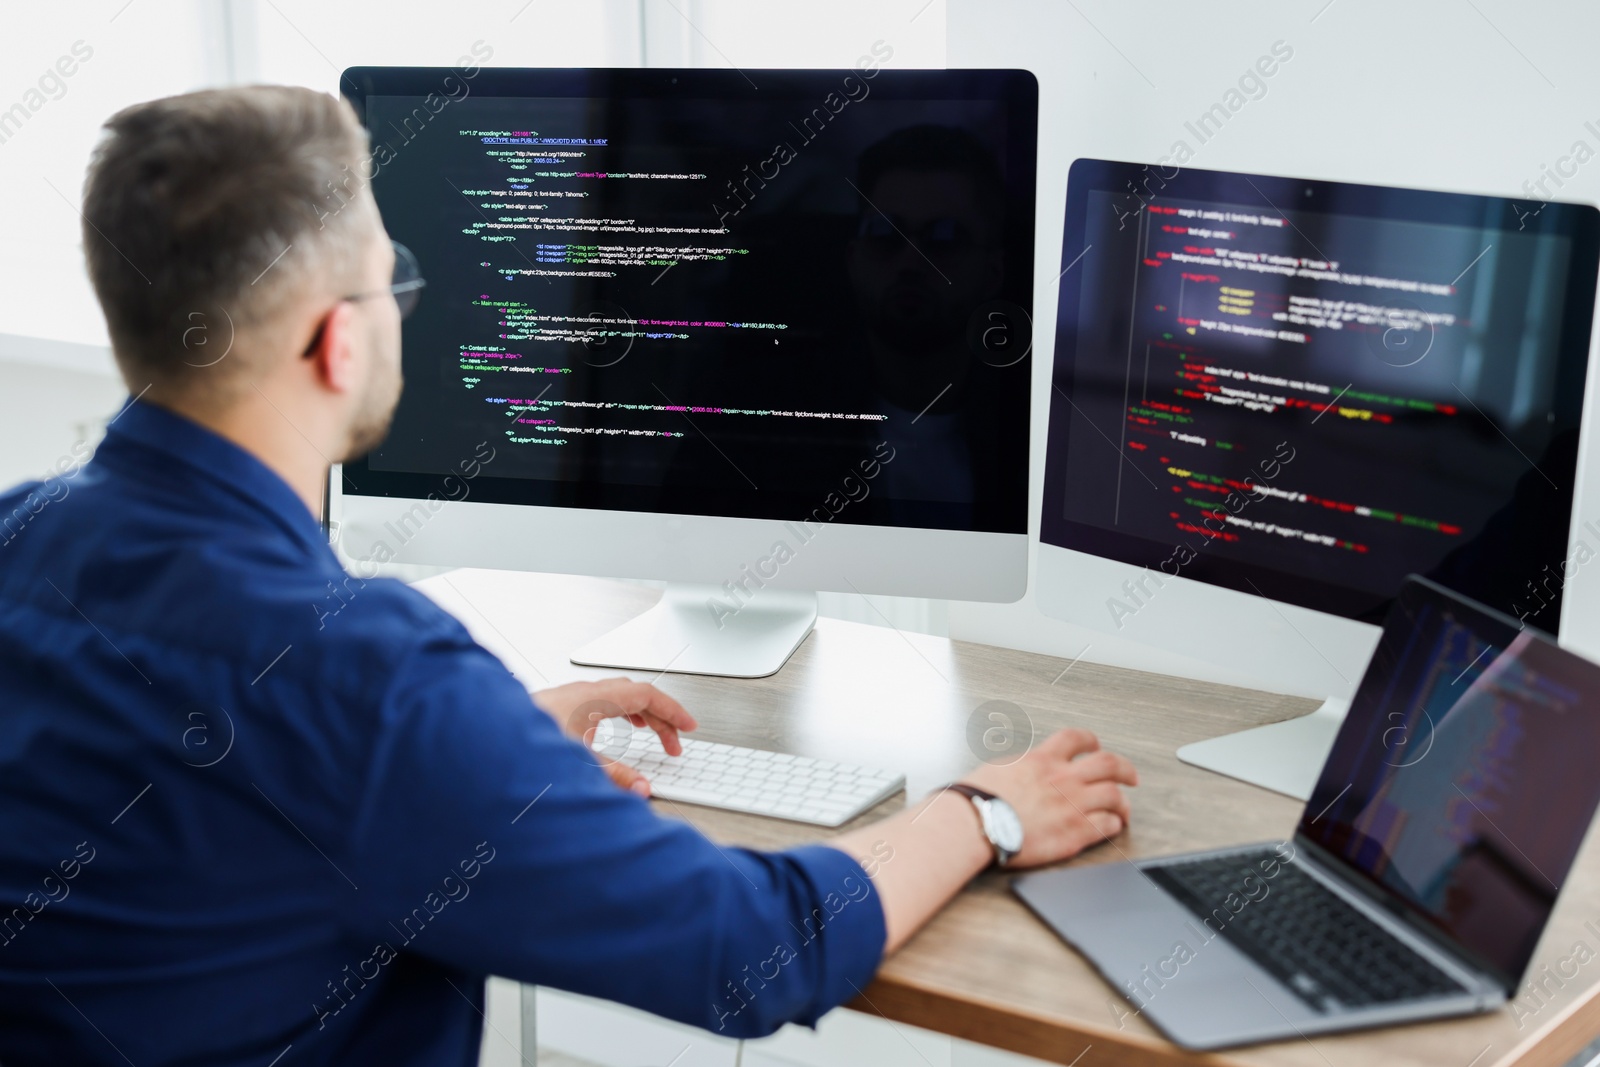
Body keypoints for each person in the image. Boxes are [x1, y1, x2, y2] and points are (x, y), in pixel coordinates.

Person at [0, 86, 1137, 1066]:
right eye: (389, 276)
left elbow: (202, 798)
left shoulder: (20, 537)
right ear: (337, 344)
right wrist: (981, 811)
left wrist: (479, 742)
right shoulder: (365, 676)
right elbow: (750, 952)